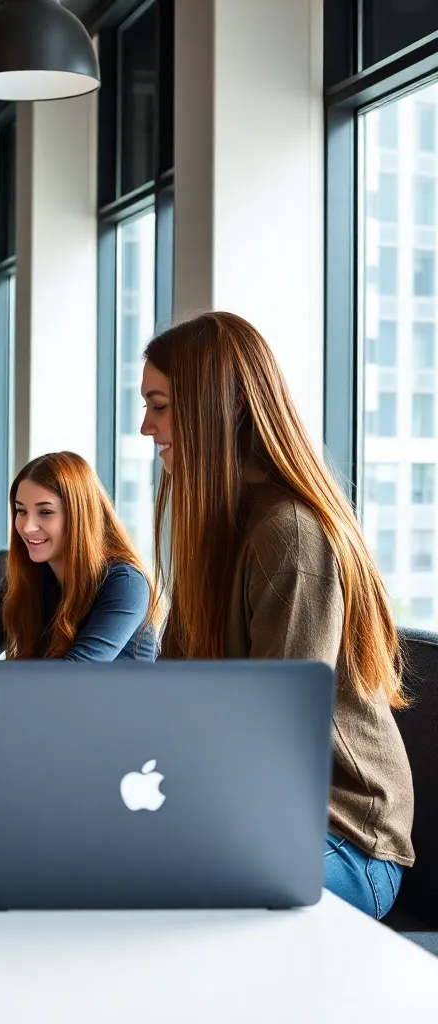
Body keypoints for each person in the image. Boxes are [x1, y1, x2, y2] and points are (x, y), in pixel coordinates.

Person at [139, 310, 414, 919]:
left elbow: (276, 732)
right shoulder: (217, 531)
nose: (144, 426)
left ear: (223, 405)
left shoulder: (288, 533)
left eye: (159, 406)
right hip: (254, 812)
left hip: (342, 841)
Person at [0, 452, 158, 688]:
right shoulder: (29, 576)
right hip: (54, 717)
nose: (27, 526)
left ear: (79, 517)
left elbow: (72, 676)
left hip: (117, 721)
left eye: (45, 512)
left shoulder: (126, 583)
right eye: (21, 511)